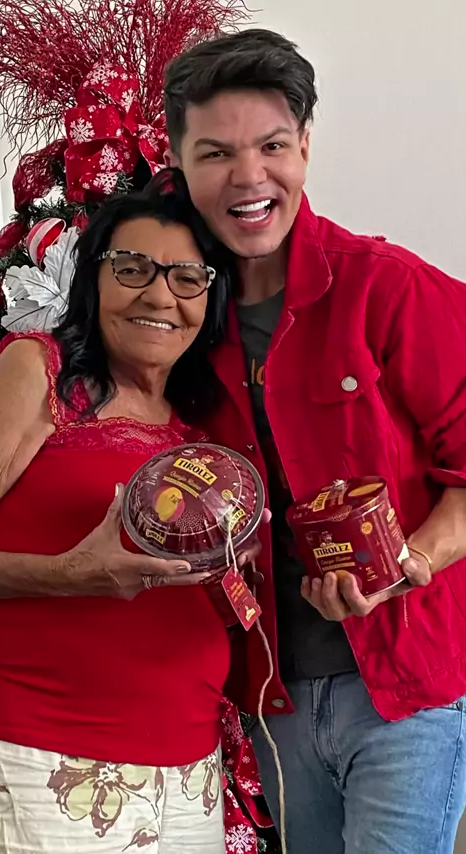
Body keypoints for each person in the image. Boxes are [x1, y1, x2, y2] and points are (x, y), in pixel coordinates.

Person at [163, 28, 466, 854]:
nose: (249, 177)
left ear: (304, 147)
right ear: (179, 164)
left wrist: (412, 562)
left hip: (405, 689)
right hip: (272, 699)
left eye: (271, 146)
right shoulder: (177, 321)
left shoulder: (389, 289)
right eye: (217, 153)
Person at [0, 168, 244, 854]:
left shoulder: (198, 429)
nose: (159, 295)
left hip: (190, 771)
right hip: (42, 757)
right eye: (132, 268)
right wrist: (69, 576)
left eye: (187, 278)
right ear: (93, 280)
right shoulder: (38, 372)